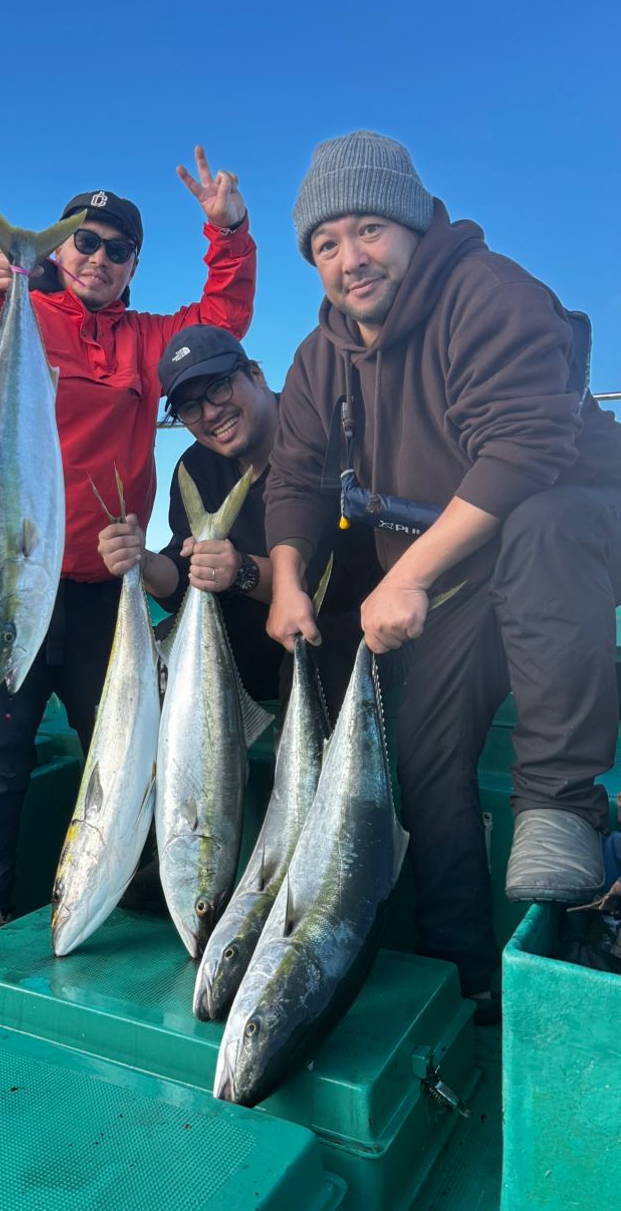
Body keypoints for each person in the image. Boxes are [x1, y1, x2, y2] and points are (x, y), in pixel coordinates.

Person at [264, 130, 621, 1019]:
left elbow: (526, 450)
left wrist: (407, 576)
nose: (351, 259)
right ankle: (467, 977)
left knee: (543, 524)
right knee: (425, 767)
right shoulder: (316, 361)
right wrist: (287, 580)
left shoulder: (488, 291)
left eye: (368, 230)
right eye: (326, 244)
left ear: (415, 223)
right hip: (461, 577)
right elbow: (296, 478)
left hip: (577, 535)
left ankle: (561, 806)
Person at [0, 147, 256, 941]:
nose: (99, 258)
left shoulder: (147, 339)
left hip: (105, 582)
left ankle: (139, 883)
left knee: (122, 735)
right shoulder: (23, 318)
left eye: (117, 248)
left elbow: (223, 324)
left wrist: (229, 233)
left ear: (134, 263)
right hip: (5, 572)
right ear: (62, 249)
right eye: (84, 241)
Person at [97, 323, 378, 714]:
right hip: (247, 639)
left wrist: (241, 570)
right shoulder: (195, 468)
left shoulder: (322, 433)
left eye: (219, 386)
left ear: (256, 374)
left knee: (316, 643)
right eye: (190, 408)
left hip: (342, 629)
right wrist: (141, 561)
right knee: (160, 652)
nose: (210, 413)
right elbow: (186, 577)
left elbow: (340, 584)